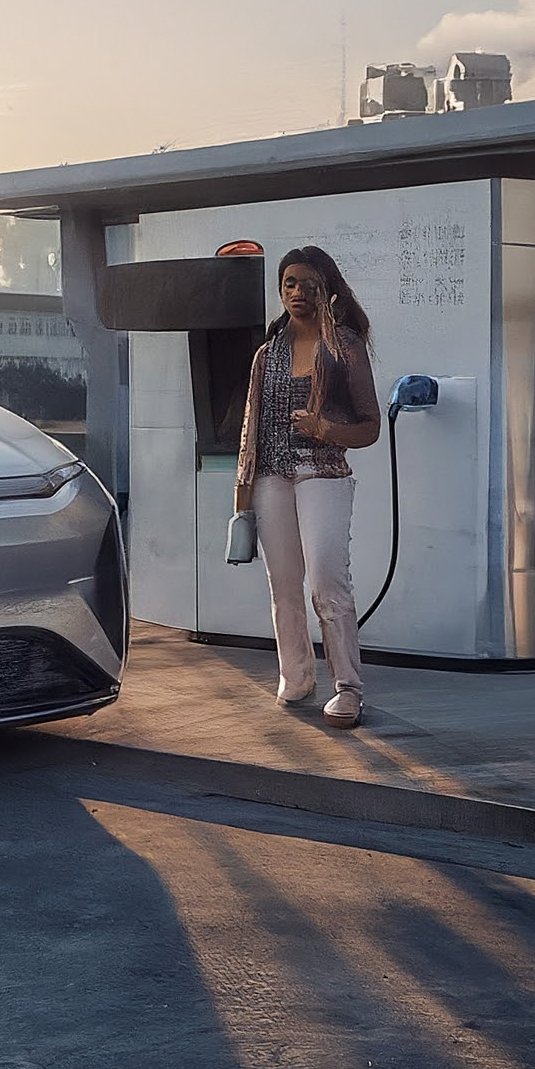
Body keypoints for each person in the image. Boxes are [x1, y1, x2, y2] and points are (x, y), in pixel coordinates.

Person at [234, 246, 381, 729]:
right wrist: (242, 492)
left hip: (323, 474)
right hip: (272, 478)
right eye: (289, 284)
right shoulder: (267, 352)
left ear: (327, 289)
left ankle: (348, 687)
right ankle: (296, 676)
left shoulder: (345, 346)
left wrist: (325, 429)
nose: (297, 293)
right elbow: (251, 423)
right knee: (283, 585)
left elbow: (370, 426)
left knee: (327, 582)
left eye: (308, 284)